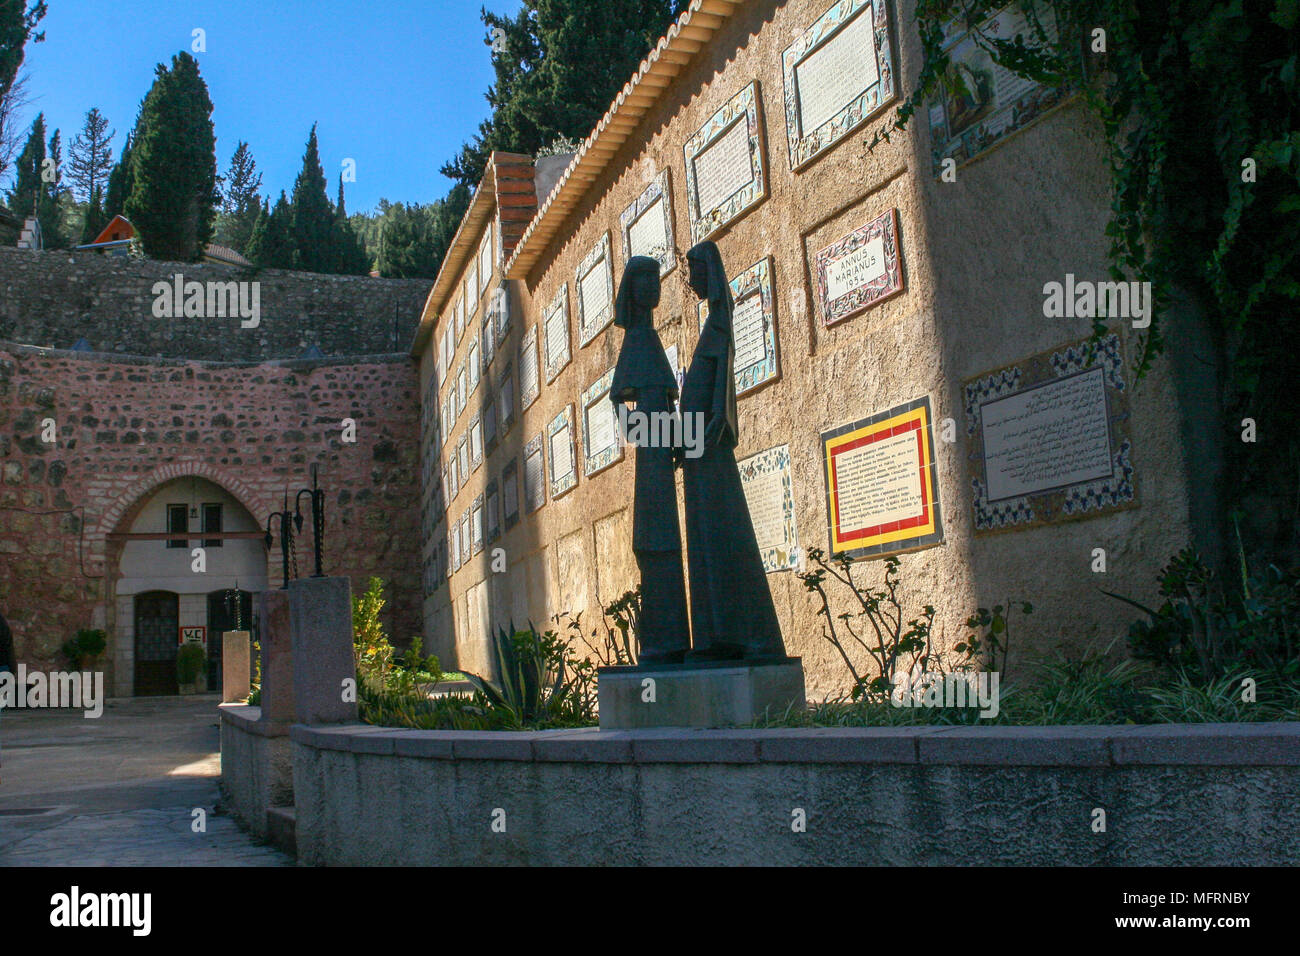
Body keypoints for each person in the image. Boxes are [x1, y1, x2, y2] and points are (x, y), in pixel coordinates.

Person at [678, 241, 786, 661]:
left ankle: (734, 634)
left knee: (720, 537)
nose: (691, 280)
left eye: (695, 271)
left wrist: (709, 430)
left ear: (710, 270)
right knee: (704, 540)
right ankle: (712, 637)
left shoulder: (720, 325)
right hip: (696, 452)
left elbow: (722, 394)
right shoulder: (710, 325)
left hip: (709, 453)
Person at [610, 256, 691, 665]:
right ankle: (661, 642)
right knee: (657, 533)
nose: (655, 289)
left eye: (657, 281)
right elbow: (619, 398)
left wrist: (677, 441)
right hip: (650, 459)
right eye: (647, 282)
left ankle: (673, 640)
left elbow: (666, 399)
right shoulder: (637, 340)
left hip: (660, 451)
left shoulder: (651, 336)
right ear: (633, 289)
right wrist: (645, 434)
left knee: (667, 536)